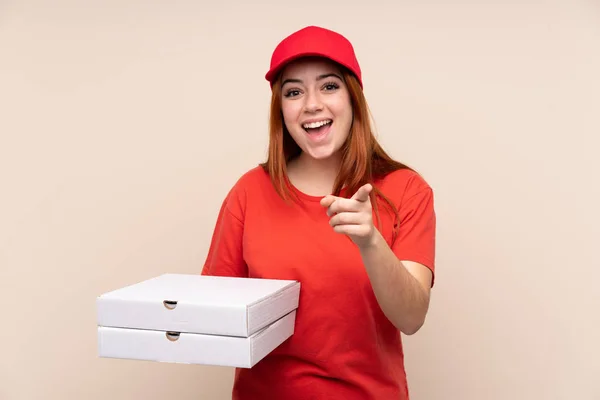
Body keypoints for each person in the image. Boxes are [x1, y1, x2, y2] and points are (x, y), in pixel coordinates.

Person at [201, 25, 436, 400]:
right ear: (282, 110)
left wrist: (370, 242)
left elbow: (411, 317)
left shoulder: (405, 189)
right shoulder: (249, 191)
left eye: (329, 86)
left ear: (353, 97)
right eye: (294, 92)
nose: (312, 104)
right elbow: (212, 319)